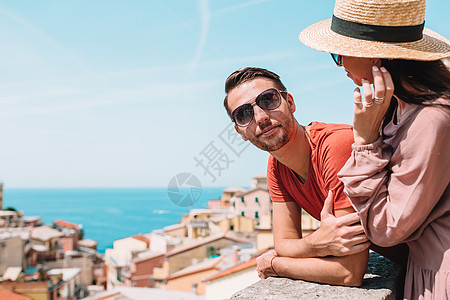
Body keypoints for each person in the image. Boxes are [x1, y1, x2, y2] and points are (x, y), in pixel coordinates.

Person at [299, 0, 450, 298]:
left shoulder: (431, 119)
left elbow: (387, 228)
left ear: (377, 56)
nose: (340, 65)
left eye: (339, 53)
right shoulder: (401, 112)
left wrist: (365, 140)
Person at [223, 67, 406, 286]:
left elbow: (349, 272)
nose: (261, 117)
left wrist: (273, 264)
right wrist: (317, 243)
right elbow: (283, 243)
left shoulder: (335, 146)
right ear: (240, 131)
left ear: (290, 103)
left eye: (268, 100)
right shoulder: (276, 167)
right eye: (244, 114)